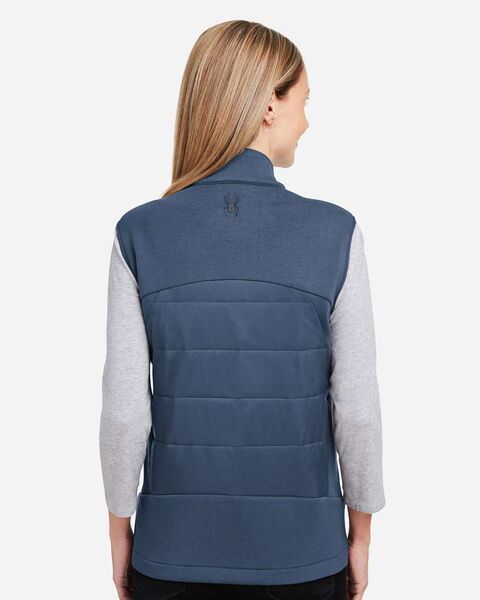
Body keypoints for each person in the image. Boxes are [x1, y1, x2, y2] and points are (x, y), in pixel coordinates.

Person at [100, 19, 386, 600]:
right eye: (304, 100)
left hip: (171, 557)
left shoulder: (139, 233)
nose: (307, 121)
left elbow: (125, 414)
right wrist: (360, 536)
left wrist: (119, 532)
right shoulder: (334, 233)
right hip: (304, 558)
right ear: (269, 106)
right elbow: (356, 412)